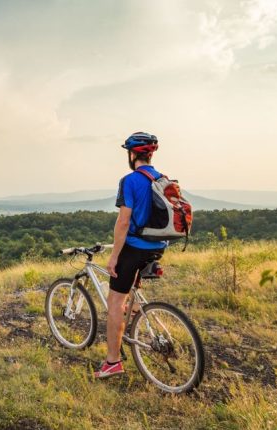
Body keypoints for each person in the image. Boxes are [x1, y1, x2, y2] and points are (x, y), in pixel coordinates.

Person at [94, 131, 167, 379]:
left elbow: (123, 222)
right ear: (150, 154)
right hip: (158, 246)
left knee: (114, 303)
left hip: (135, 247)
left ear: (132, 154)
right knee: (128, 292)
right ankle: (134, 311)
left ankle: (112, 362)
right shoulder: (162, 178)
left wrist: (114, 255)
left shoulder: (130, 180)